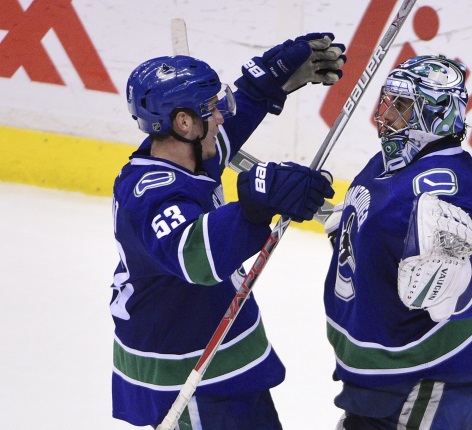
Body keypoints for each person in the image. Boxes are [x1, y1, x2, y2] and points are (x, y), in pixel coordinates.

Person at [109, 33, 345, 429]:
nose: (220, 116)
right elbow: (196, 256)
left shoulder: (191, 154)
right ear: (184, 123)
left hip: (217, 350)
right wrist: (253, 209)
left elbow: (228, 128)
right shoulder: (148, 195)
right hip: (184, 368)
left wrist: (264, 82)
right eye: (211, 109)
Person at [323, 55, 472, 429]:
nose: (386, 115)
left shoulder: (447, 181)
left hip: (428, 375)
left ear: (437, 115)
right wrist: (353, 236)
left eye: (402, 106)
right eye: (388, 101)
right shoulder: (386, 164)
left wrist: (461, 280)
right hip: (380, 369)